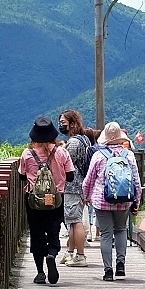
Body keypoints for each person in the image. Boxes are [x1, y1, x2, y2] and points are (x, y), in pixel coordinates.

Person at [82, 121, 142, 281]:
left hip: (102, 201)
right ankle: (120, 265)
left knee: (106, 234)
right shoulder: (129, 155)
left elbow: (88, 181)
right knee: (121, 230)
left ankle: (108, 271)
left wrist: (86, 197)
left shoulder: (98, 155)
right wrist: (136, 202)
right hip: (124, 201)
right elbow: (136, 182)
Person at [18, 116, 75, 285]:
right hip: (56, 199)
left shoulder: (27, 154)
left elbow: (22, 177)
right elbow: (71, 177)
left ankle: (40, 273)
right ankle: (51, 253)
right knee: (53, 230)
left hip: (33, 201)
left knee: (36, 234)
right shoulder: (61, 152)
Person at [57, 110, 91, 267]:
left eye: (63, 123)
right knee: (72, 220)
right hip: (82, 185)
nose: (61, 126)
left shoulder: (73, 143)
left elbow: (65, 164)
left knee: (75, 221)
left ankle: (80, 256)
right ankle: (70, 253)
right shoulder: (84, 140)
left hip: (73, 186)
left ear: (72, 123)